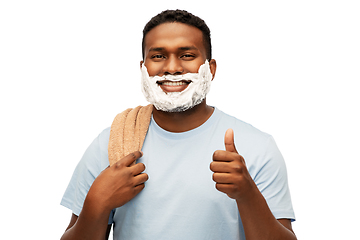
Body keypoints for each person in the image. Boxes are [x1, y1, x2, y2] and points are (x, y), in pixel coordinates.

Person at [60, 10, 296, 240]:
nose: (172, 68)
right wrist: (96, 203)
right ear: (143, 69)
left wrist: (247, 194)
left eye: (186, 55)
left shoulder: (258, 147)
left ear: (210, 69)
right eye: (158, 56)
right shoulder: (111, 144)